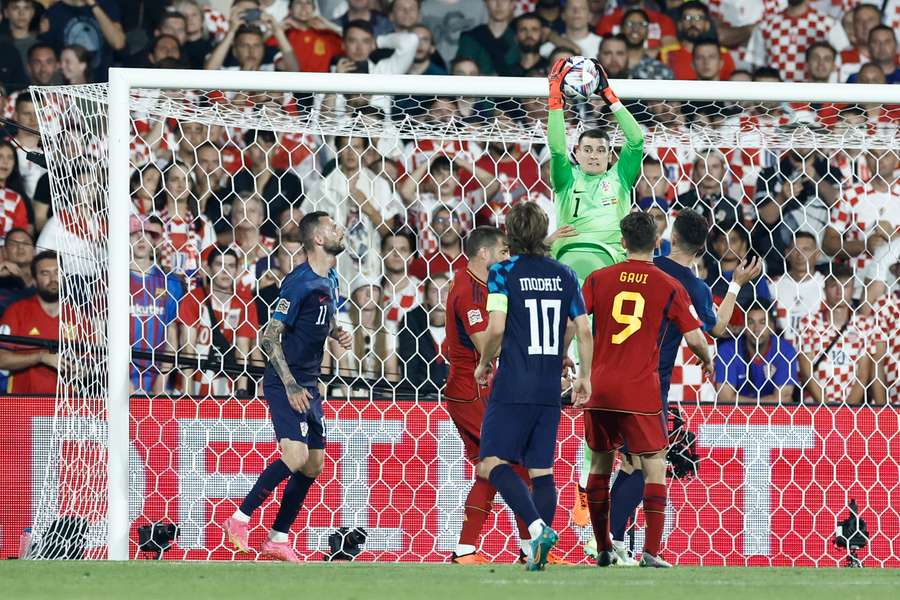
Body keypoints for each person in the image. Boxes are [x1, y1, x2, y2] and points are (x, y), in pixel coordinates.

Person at [592, 208, 759, 564]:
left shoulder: (634, 270)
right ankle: (618, 543)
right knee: (649, 462)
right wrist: (736, 284)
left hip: (606, 377)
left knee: (626, 464)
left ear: (670, 238)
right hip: (651, 382)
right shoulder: (687, 284)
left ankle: (611, 541)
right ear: (702, 248)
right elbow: (714, 330)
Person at [580, 211, 713, 568]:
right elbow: (697, 337)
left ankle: (604, 547)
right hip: (641, 389)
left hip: (601, 386)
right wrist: (708, 359)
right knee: (654, 464)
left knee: (600, 464)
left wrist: (573, 366)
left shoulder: (597, 279)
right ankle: (651, 552)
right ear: (657, 242)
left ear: (622, 242)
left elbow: (575, 323)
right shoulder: (670, 285)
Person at [222, 211, 352, 562]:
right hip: (285, 382)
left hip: (309, 383)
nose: (340, 229)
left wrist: (336, 332)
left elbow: (320, 321)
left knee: (313, 464)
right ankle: (239, 518)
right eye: (332, 226)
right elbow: (269, 337)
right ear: (319, 240)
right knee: (294, 455)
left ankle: (278, 538)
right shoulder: (299, 283)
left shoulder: (333, 278)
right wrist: (291, 384)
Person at [473, 201, 593, 571]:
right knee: (542, 471)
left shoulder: (503, 271)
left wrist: (483, 362)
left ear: (511, 234)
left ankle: (538, 529)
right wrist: (583, 374)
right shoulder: (565, 274)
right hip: (547, 386)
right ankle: (534, 554)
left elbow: (495, 327)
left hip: (513, 380)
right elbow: (582, 328)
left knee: (490, 463)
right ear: (543, 234)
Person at [797, 264, 877, 406]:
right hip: (815, 406)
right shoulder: (808, 323)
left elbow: (863, 375)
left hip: (851, 409)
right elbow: (807, 372)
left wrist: (845, 412)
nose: (840, 292)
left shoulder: (865, 325)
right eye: (834, 286)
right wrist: (827, 408)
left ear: (853, 290)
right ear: (825, 289)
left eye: (846, 286)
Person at [129, 215, 184, 395]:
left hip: (159, 381)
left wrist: (162, 380)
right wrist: (121, 381)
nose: (140, 239)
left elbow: (172, 336)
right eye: (133, 234)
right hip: (120, 381)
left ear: (154, 239)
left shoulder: (170, 283)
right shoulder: (110, 280)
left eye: (146, 233)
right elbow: (102, 334)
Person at [715, 299, 798, 405]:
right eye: (751, 322)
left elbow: (784, 399)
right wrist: (767, 402)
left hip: (773, 416)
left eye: (762, 322)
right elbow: (724, 399)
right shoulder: (728, 350)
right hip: (737, 416)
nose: (756, 329)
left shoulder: (785, 351)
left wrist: (742, 402)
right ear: (744, 327)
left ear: (772, 327)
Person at [0, 250, 60, 394]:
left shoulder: (78, 314)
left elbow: (94, 362)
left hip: (70, 406)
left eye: (57, 272)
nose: (53, 278)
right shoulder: (16, 311)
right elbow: (1, 359)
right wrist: (41, 357)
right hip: (25, 405)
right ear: (34, 279)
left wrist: (83, 370)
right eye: (45, 273)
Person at [39, 0, 126, 81]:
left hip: (102, 83)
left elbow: (118, 43)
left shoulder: (106, 4)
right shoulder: (54, 12)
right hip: (71, 86)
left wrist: (93, 5)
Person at [769, 231, 825, 342]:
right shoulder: (772, 286)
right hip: (782, 353)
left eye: (806, 249)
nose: (800, 255)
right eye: (795, 250)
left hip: (818, 352)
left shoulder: (826, 285)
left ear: (817, 254)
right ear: (787, 253)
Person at [455, 0, 517, 76]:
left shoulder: (520, 40)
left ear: (512, 4)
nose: (499, 4)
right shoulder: (470, 38)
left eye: (504, 0)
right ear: (486, 3)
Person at [283, 0, 343, 73]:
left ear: (314, 9)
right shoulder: (282, 34)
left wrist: (330, 26)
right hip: (291, 81)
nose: (303, 7)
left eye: (308, 3)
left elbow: (351, 44)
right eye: (298, 3)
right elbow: (265, 48)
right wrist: (278, 27)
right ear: (290, 9)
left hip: (321, 82)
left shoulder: (326, 34)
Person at [0, 227, 35, 315]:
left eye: (25, 243)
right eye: (14, 244)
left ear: (34, 250)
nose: (20, 247)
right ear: (4, 251)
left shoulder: (46, 278)